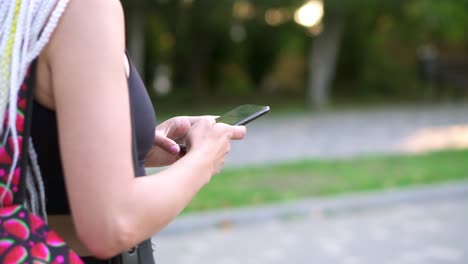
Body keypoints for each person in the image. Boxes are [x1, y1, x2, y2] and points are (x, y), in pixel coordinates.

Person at [0, 0, 246, 263]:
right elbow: (112, 225)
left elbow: (27, 131)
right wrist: (205, 157)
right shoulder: (83, 9)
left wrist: (129, 147)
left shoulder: (22, 9)